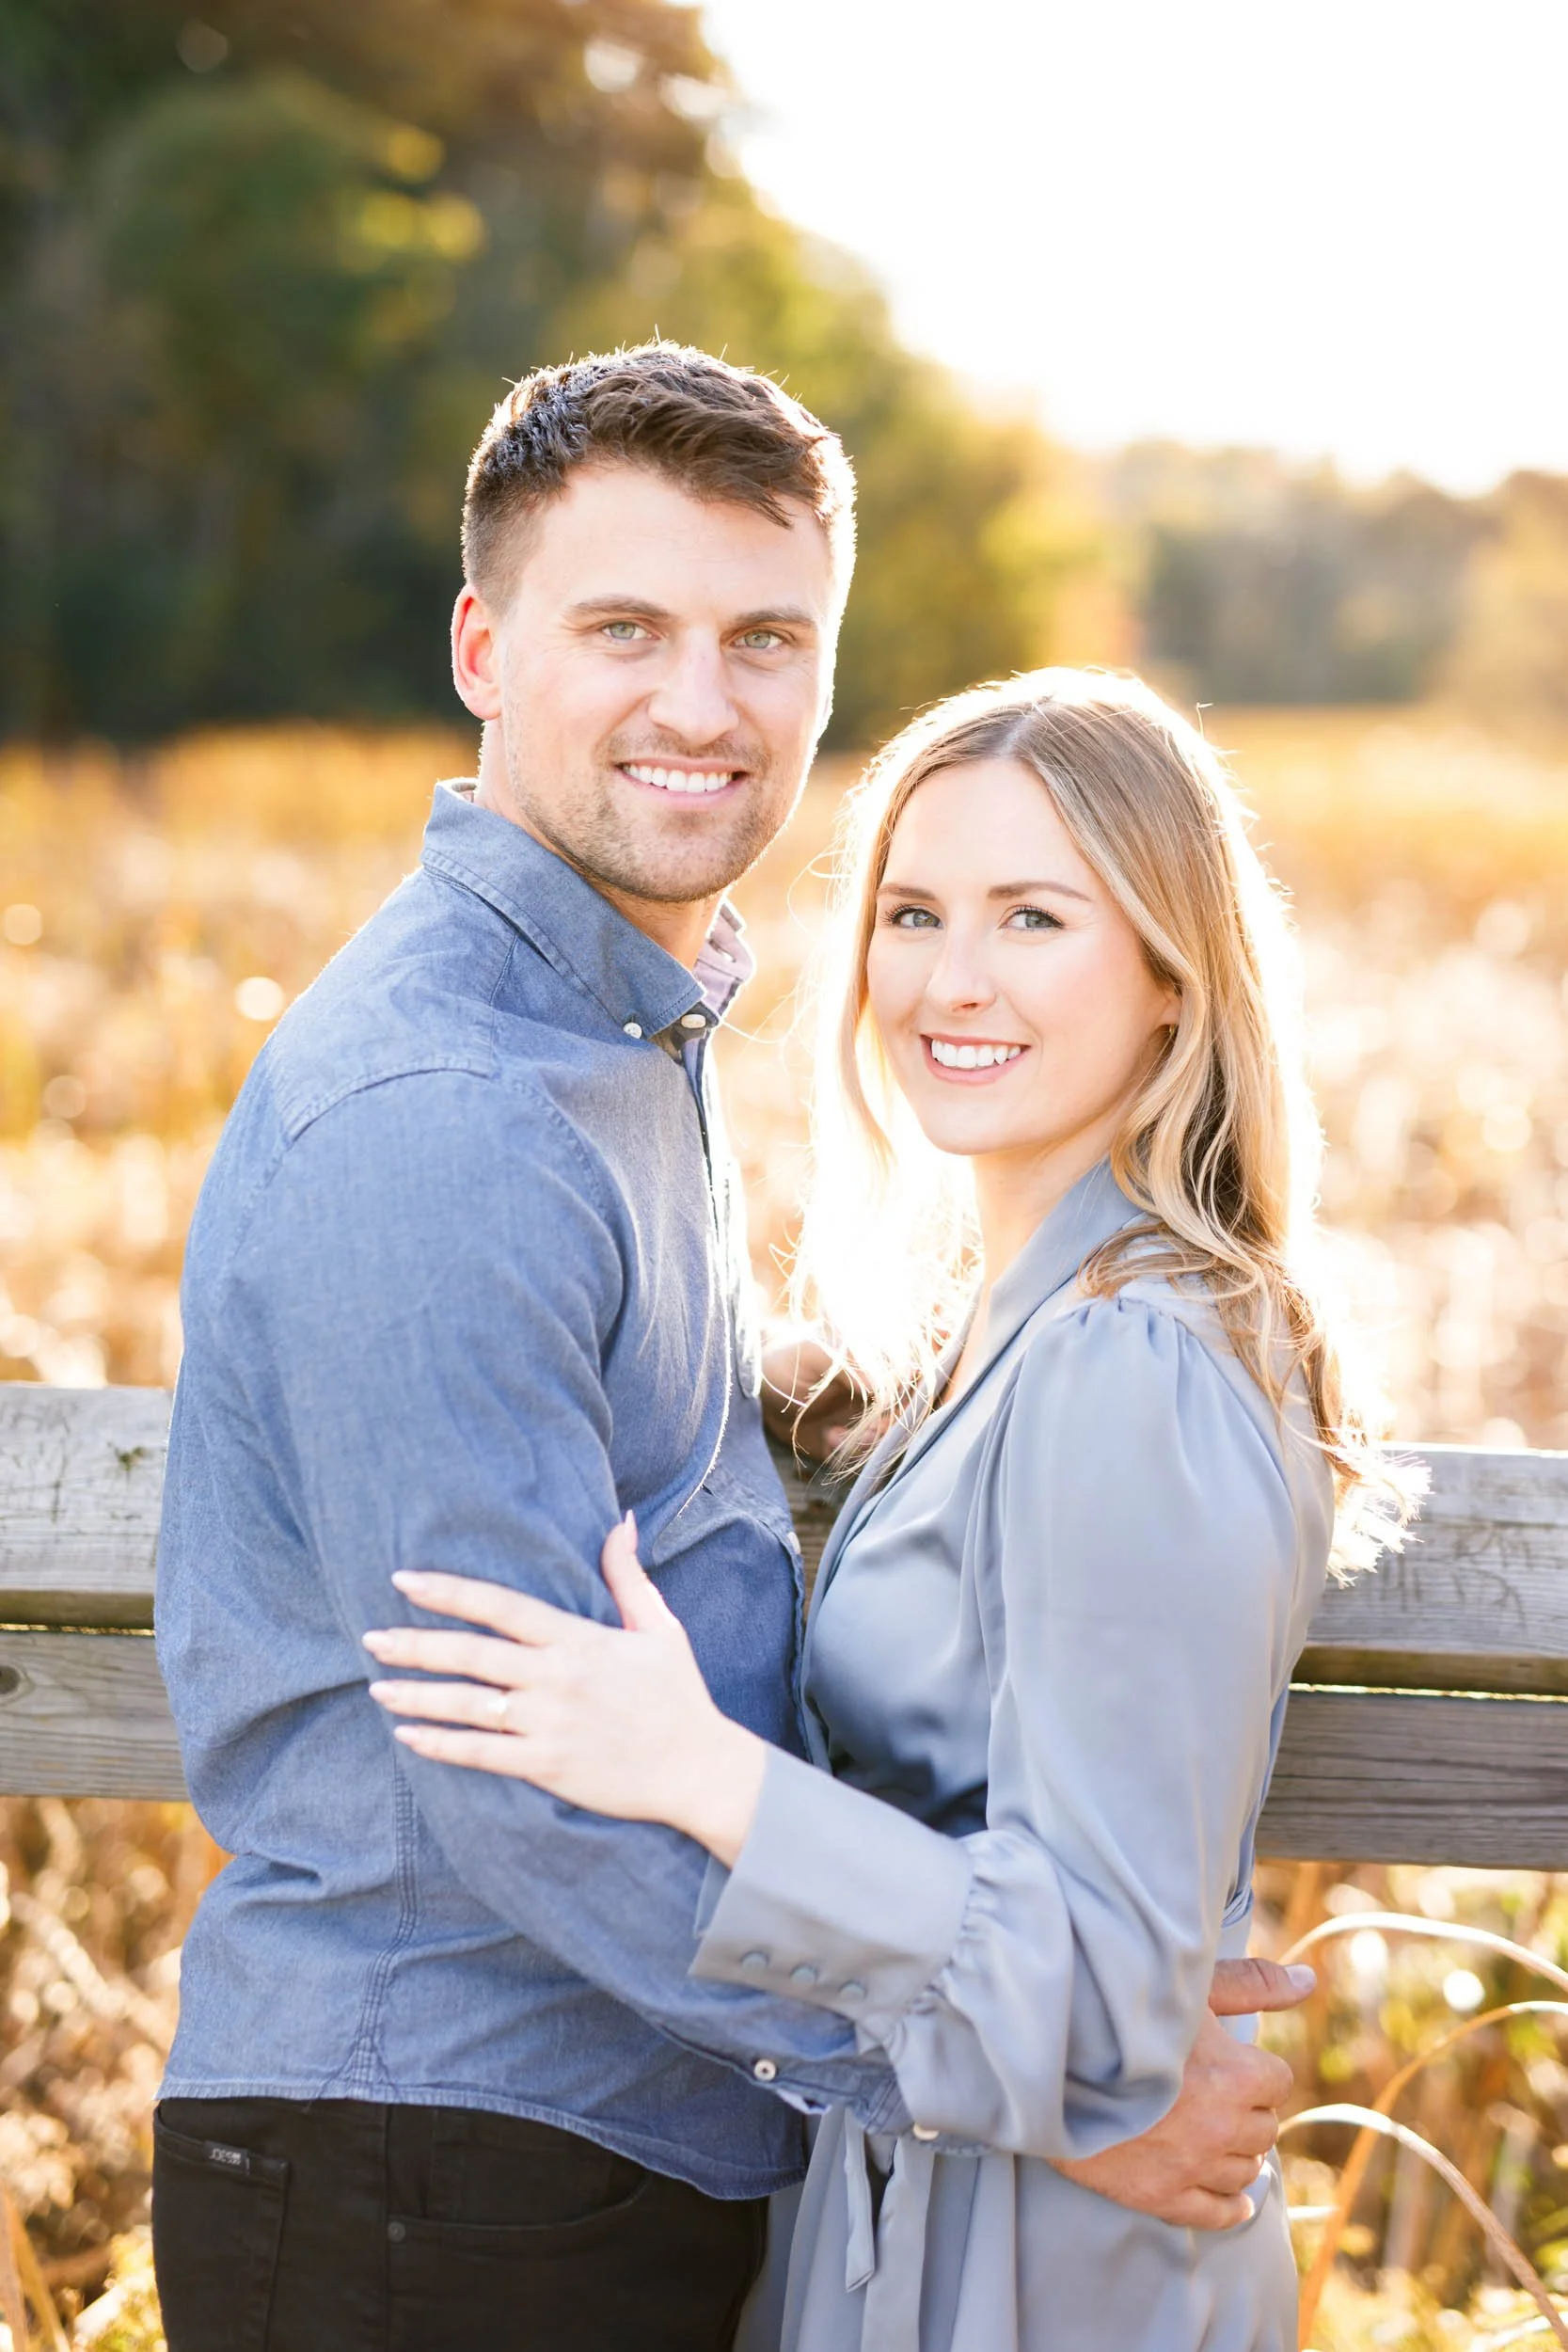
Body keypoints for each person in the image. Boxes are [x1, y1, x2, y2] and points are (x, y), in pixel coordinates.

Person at [153, 345, 1312, 2352]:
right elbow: (521, 1787)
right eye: (625, 626)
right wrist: (1042, 2089)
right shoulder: (455, 1105)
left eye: (764, 636)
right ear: (482, 645)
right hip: (437, 2163)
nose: (702, 702)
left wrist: (820, 1401)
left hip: (612, 2161)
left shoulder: (621, 1042)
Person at [364, 668, 1414, 2351]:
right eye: (914, 911)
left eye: (1032, 916)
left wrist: (701, 1776)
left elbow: (1094, 2003)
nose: (951, 978)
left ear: (1169, 976)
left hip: (1046, 2268)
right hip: (939, 2204)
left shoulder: (1129, 1362)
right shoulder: (1013, 1325)